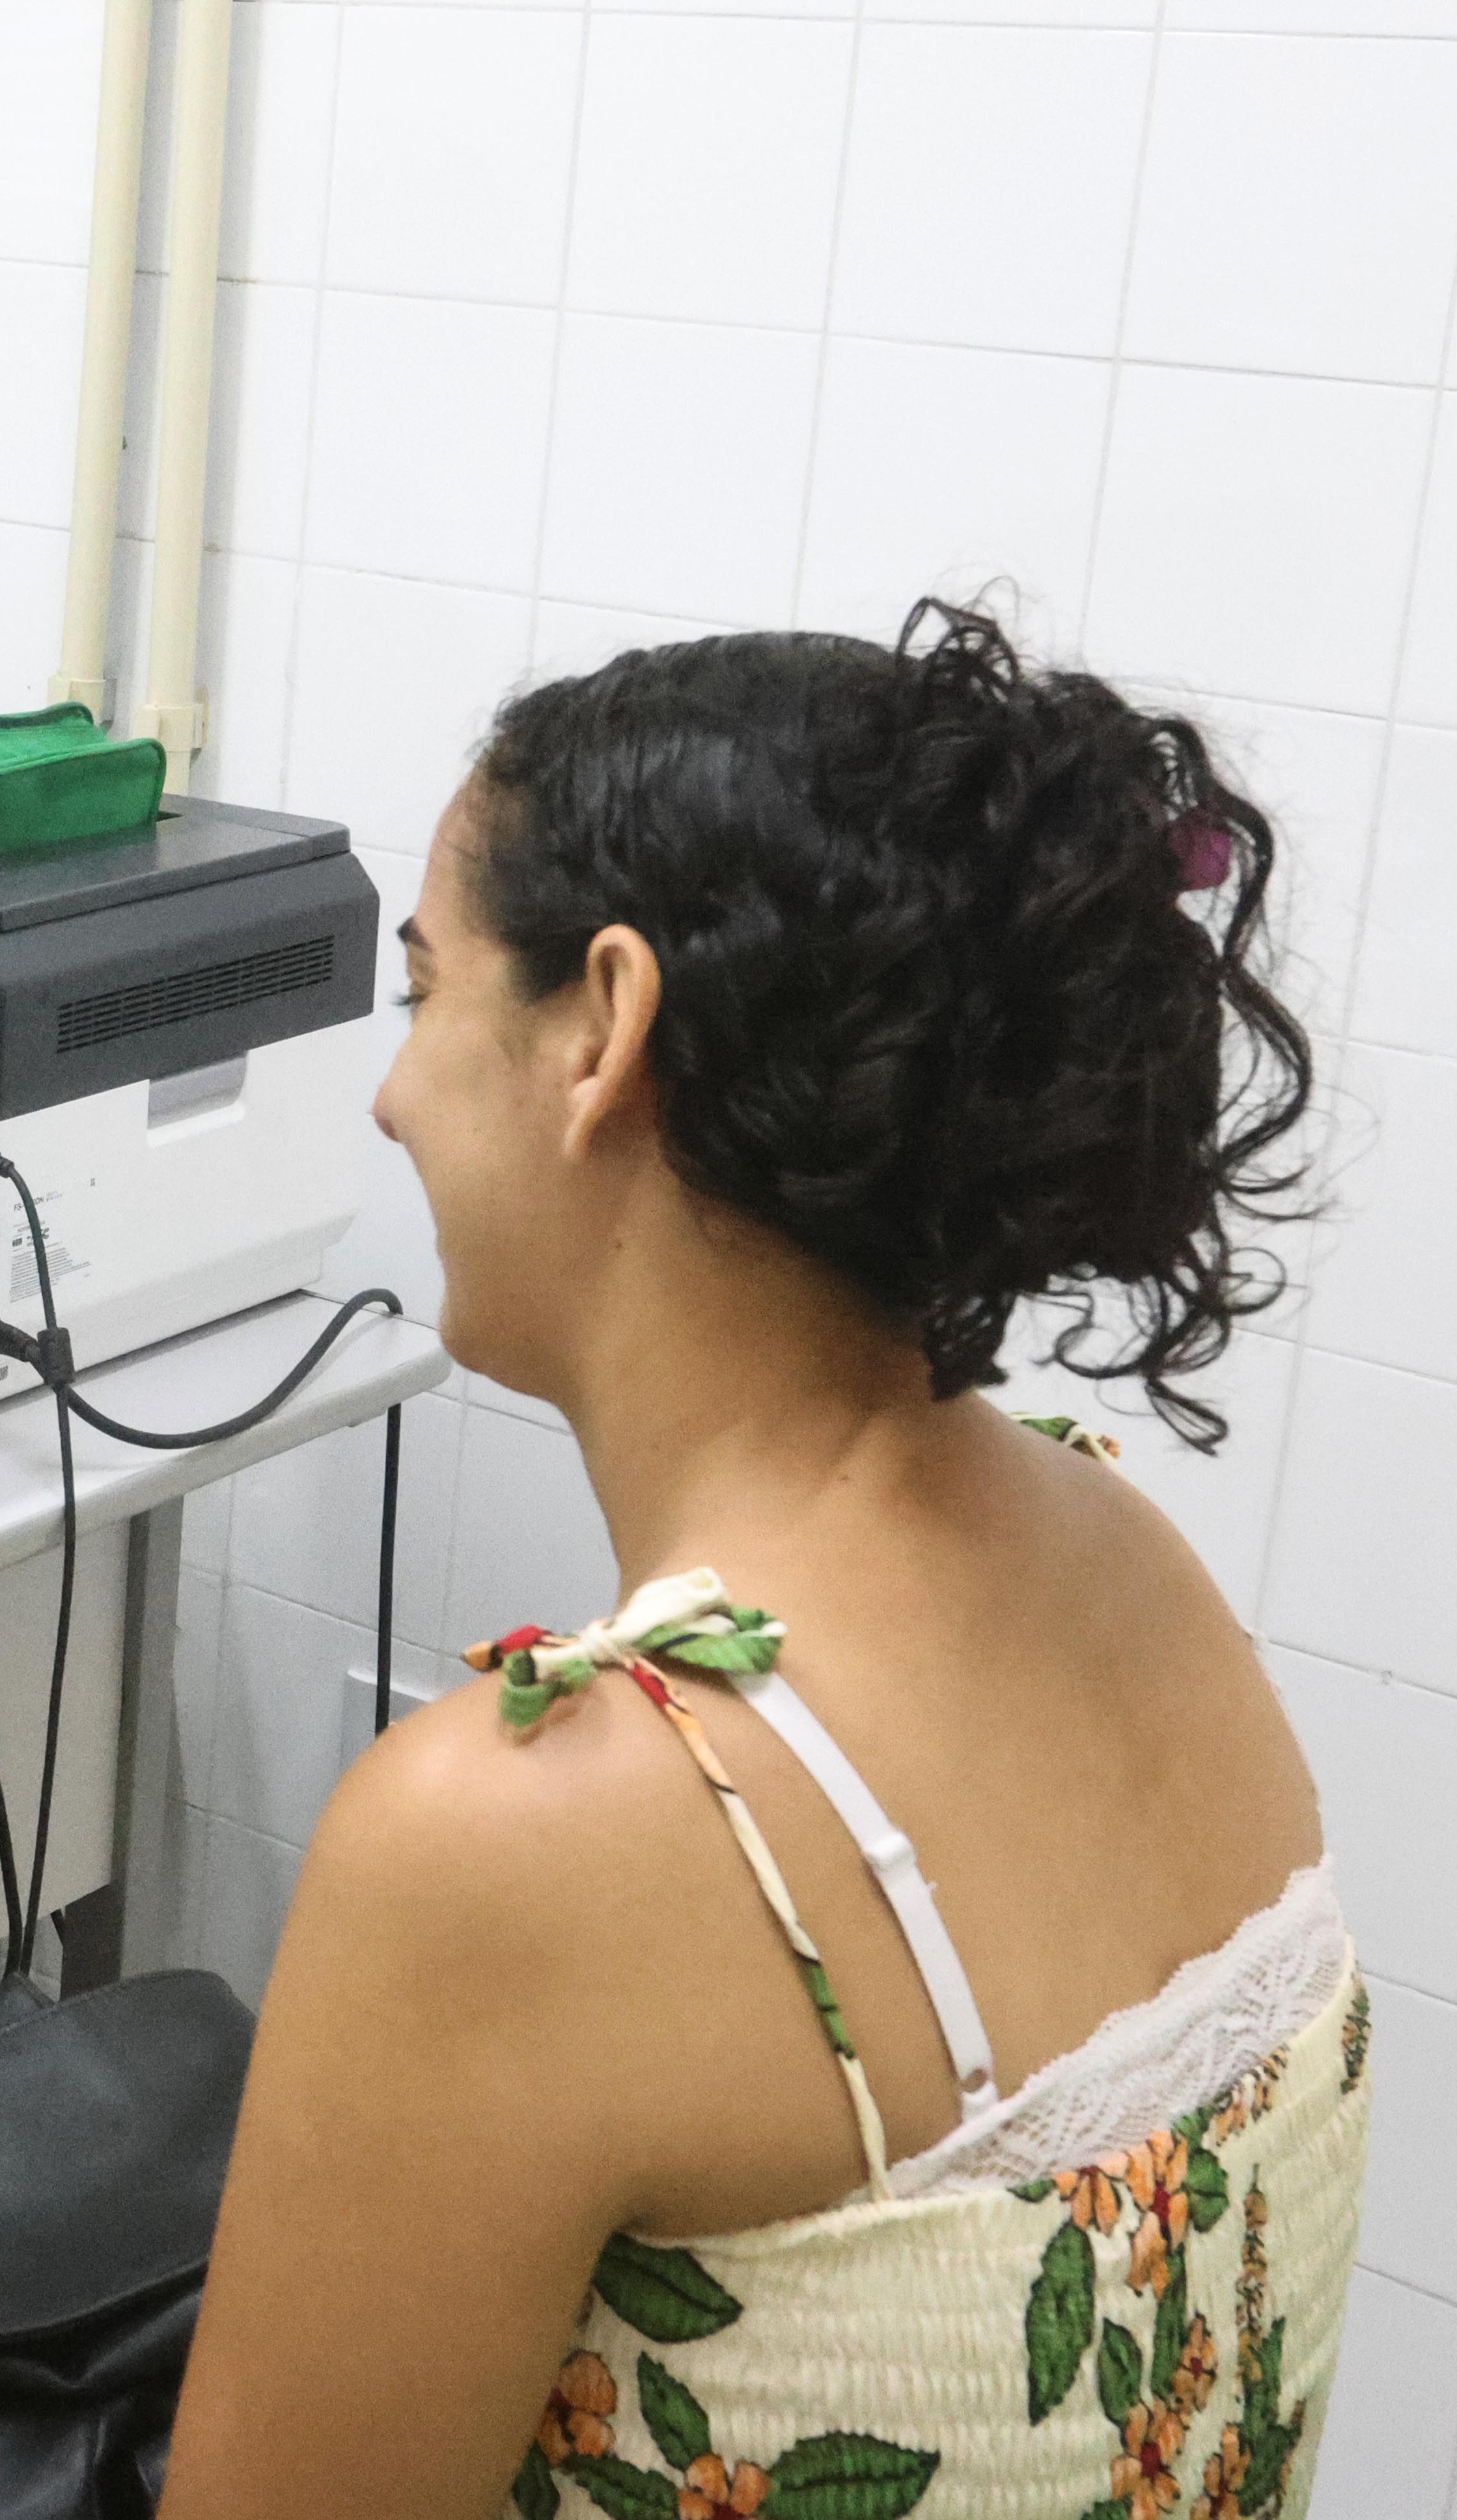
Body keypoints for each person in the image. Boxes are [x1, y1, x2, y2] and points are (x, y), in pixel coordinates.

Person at [162, 606, 1367, 2517]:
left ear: (603, 1027)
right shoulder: (1129, 1555)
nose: (390, 1095)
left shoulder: (522, 1840)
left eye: (421, 992)